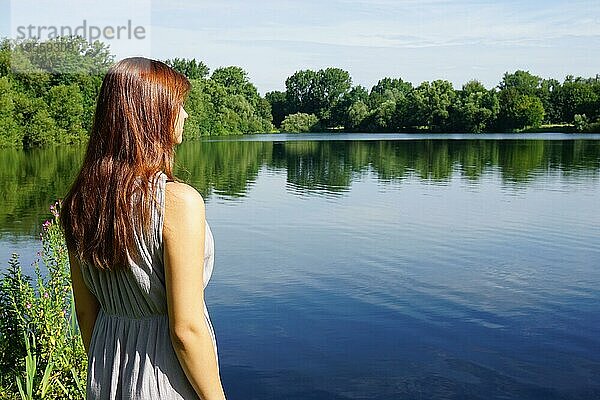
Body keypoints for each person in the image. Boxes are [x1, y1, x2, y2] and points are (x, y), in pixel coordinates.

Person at [60, 57, 227, 399]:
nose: (185, 115)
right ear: (151, 115)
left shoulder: (79, 203)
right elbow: (186, 330)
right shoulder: (178, 204)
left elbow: (85, 310)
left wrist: (110, 367)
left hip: (107, 368)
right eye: (178, 106)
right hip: (164, 374)